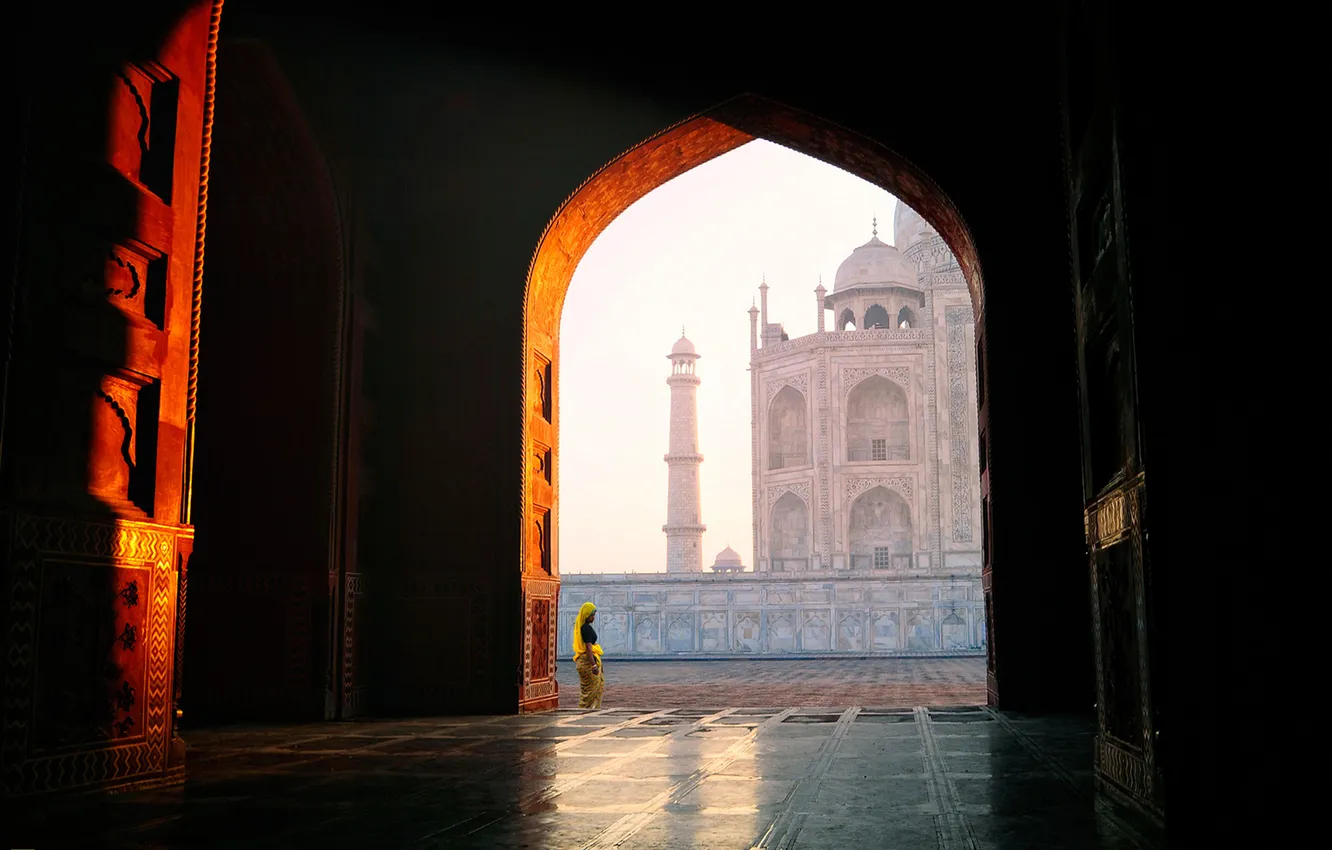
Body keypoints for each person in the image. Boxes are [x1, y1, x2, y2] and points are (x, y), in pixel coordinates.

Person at [572, 601, 604, 709]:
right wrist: (593, 665)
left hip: (581, 662)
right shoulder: (586, 628)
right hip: (588, 662)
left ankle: (584, 710)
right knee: (591, 692)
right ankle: (586, 711)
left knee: (587, 691)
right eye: (592, 615)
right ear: (587, 615)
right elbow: (588, 649)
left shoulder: (581, 627)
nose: (593, 618)